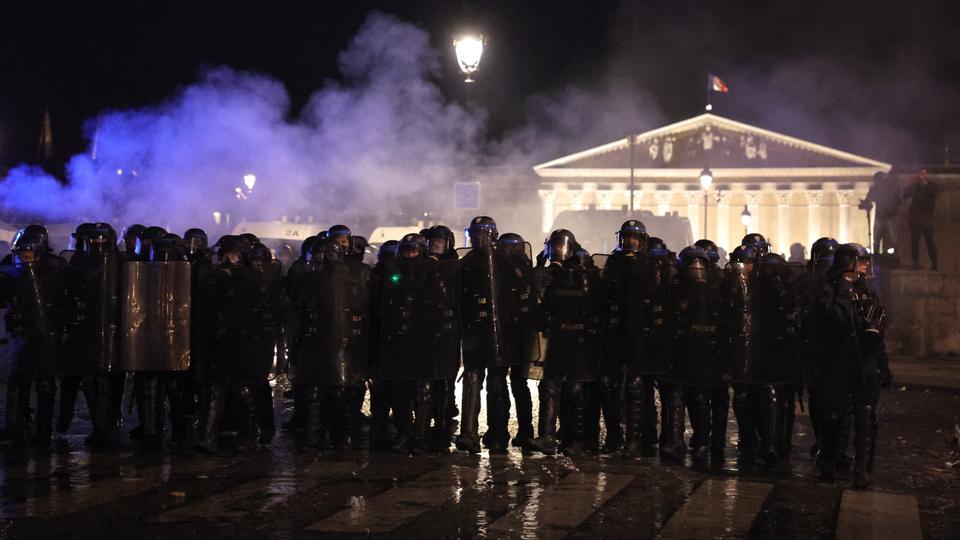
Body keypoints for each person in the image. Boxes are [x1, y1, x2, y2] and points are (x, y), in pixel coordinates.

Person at [814, 243, 892, 488]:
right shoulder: (829, 289)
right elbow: (833, 318)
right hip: (839, 361)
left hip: (864, 362)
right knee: (834, 415)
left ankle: (862, 470)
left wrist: (884, 367)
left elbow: (877, 332)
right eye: (861, 261)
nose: (866, 266)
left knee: (866, 416)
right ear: (847, 262)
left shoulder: (867, 291)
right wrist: (844, 291)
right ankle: (827, 462)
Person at [529, 229, 603, 455]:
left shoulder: (582, 273)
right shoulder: (551, 274)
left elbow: (593, 305)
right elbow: (541, 301)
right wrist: (541, 270)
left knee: (575, 390)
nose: (557, 252)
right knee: (550, 386)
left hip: (578, 341)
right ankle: (547, 436)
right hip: (558, 338)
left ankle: (575, 440)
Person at [903, 169, 939, 270]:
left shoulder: (933, 186)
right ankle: (915, 263)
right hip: (914, 219)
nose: (921, 176)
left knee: (930, 242)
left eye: (923, 174)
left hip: (927, 219)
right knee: (914, 242)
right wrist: (911, 184)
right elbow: (905, 195)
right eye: (920, 174)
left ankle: (934, 264)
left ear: (927, 175)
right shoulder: (915, 186)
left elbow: (933, 193)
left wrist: (925, 184)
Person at [861, 171, 901, 257]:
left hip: (889, 215)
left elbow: (898, 200)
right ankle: (877, 254)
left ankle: (893, 254)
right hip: (883, 215)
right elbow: (869, 199)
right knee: (878, 236)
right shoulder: (877, 188)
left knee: (891, 237)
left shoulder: (888, 188)